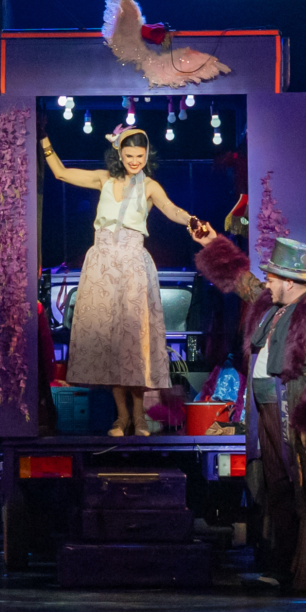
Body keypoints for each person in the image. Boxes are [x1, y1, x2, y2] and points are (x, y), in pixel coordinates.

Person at [191, 223, 306, 594]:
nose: (267, 283)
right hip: (262, 409)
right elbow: (242, 282)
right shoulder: (270, 305)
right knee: (271, 487)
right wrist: (211, 242)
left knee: (301, 489)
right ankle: (279, 564)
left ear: (289, 282)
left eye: (272, 278)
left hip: (289, 414)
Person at [40, 123, 196, 436]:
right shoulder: (104, 178)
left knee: (133, 343)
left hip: (133, 263)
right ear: (119, 154)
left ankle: (139, 417)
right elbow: (61, 173)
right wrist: (43, 137)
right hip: (102, 264)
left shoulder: (149, 186)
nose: (135, 161)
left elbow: (172, 209)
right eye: (129, 155)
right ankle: (121, 417)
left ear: (147, 154)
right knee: (111, 344)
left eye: (140, 155)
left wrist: (192, 221)